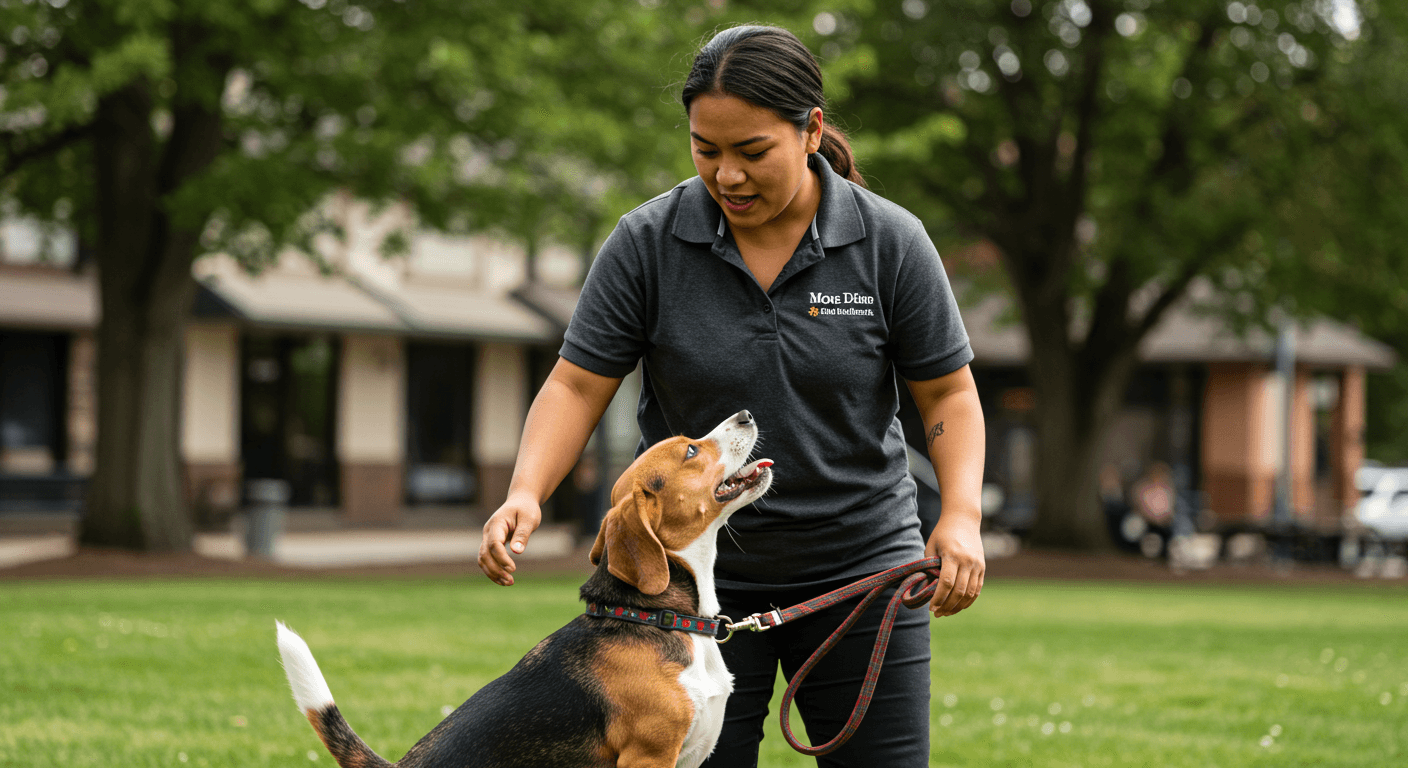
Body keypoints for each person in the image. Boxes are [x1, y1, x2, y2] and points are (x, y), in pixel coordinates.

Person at [477, 25, 986, 767]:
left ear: (812, 130)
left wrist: (962, 515)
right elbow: (577, 384)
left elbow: (948, 395)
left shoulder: (890, 243)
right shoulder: (647, 242)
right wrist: (526, 490)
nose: (728, 175)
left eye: (752, 151)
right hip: (689, 591)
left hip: (862, 569)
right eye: (705, 149)